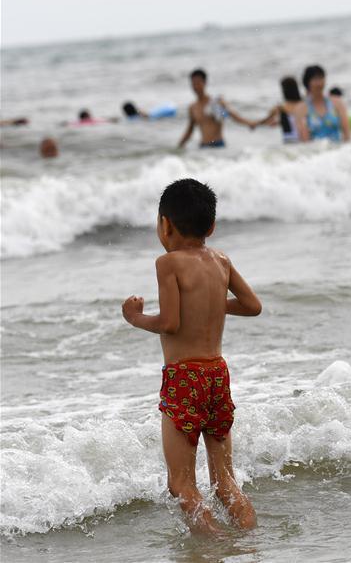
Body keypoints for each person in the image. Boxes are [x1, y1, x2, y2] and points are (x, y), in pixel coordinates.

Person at [121, 178, 261, 533]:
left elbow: (170, 322)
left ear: (164, 224)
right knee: (225, 480)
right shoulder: (222, 261)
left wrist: (136, 318)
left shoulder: (168, 263)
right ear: (211, 227)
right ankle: (249, 542)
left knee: (181, 485)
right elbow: (252, 306)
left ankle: (213, 546)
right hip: (217, 375)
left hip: (185, 378)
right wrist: (210, 305)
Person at [176, 69, 254, 149]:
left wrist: (249, 123)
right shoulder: (193, 107)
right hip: (203, 147)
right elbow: (190, 130)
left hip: (218, 146)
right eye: (193, 83)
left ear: (205, 83)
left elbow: (232, 115)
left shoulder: (215, 102)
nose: (196, 86)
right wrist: (179, 146)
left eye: (198, 83)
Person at [297, 65, 351, 142]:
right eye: (315, 79)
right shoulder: (302, 108)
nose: (319, 83)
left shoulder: (337, 102)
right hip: (316, 151)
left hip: (338, 150)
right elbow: (304, 139)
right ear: (307, 83)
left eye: (321, 78)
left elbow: (347, 133)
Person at [253, 76, 304, 143]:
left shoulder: (280, 108)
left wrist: (253, 124)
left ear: (284, 90)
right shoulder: (305, 104)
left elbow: (266, 121)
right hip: (305, 139)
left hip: (289, 140)